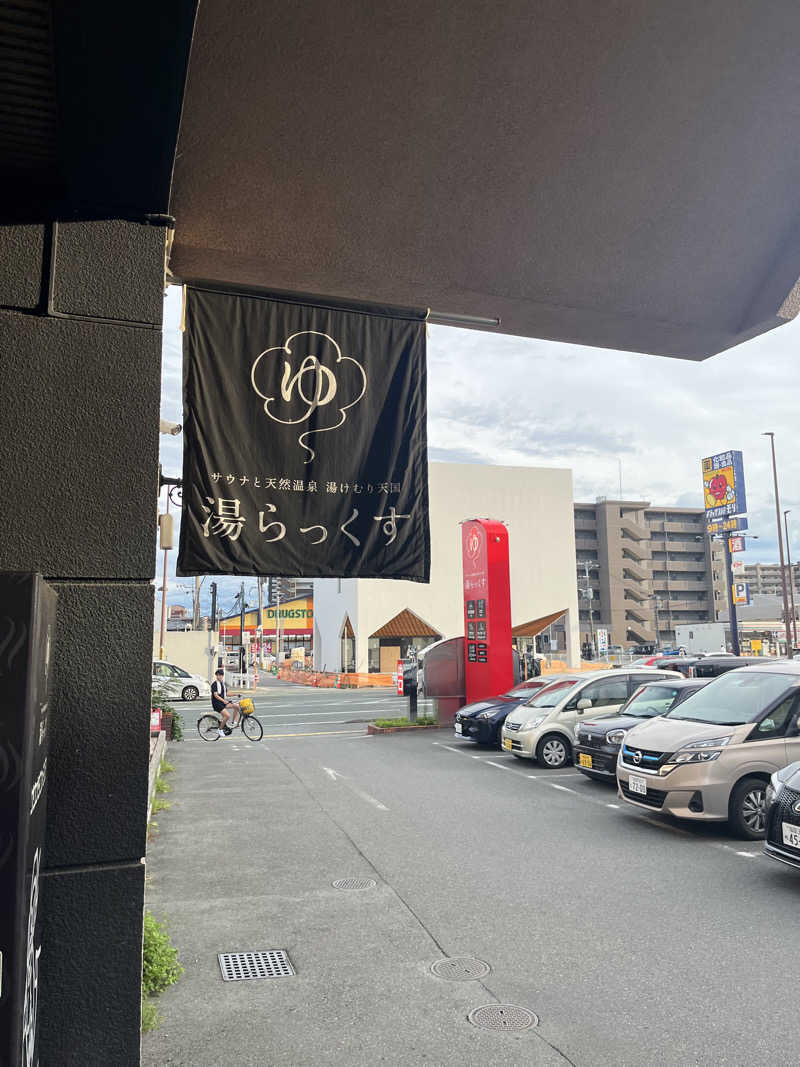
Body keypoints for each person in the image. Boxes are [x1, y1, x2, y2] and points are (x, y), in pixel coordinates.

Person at [210, 668, 242, 739]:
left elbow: (227, 693)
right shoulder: (214, 684)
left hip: (223, 702)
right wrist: (223, 701)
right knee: (227, 716)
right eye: (218, 675)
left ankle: (233, 722)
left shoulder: (223, 684)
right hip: (217, 704)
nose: (220, 676)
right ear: (216, 676)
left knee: (236, 706)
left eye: (221, 675)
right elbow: (215, 695)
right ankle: (220, 729)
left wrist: (236, 694)